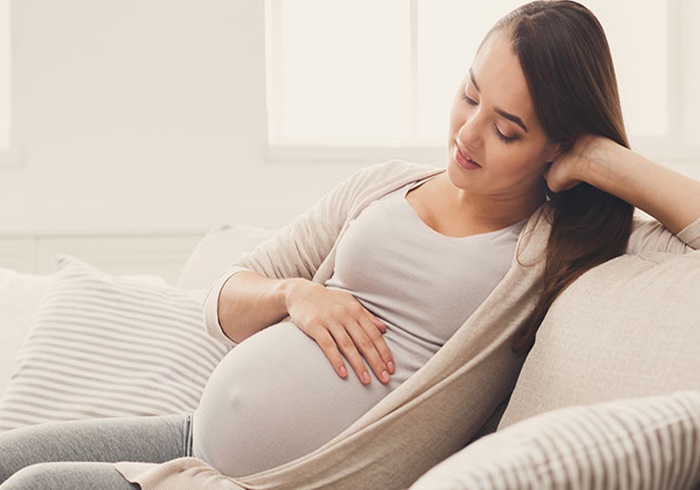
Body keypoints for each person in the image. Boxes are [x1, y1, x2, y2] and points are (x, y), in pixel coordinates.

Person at [1, 1, 699, 489]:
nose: (469, 132)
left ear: (558, 142)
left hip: (282, 479)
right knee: (9, 459)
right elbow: (226, 298)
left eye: (509, 128)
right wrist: (295, 296)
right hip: (191, 439)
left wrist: (606, 162)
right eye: (469, 93)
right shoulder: (383, 186)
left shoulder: (553, 251)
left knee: (36, 485)